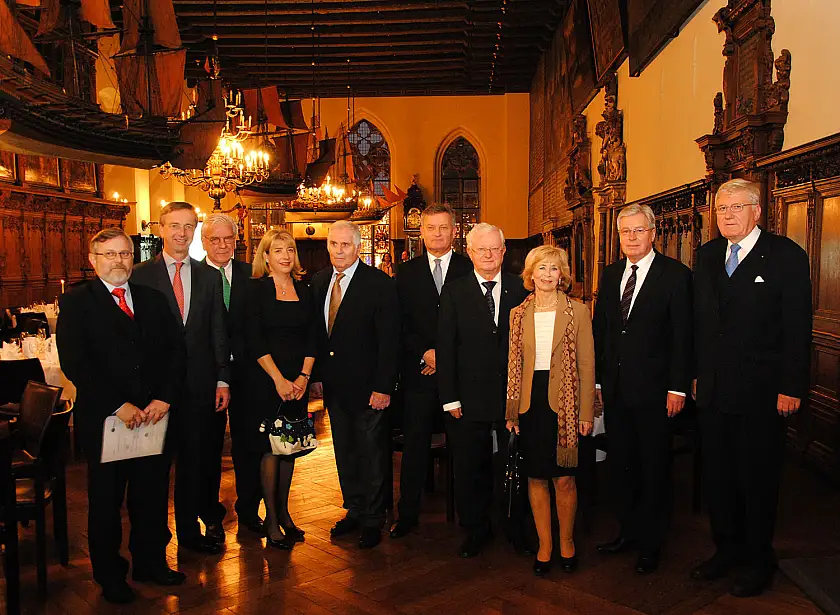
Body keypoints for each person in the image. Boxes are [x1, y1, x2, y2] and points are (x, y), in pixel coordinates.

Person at [692, 179, 812, 597]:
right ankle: (725, 550)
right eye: (720, 208)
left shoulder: (786, 256)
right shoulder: (705, 256)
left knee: (757, 479)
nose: (726, 214)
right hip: (714, 392)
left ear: (757, 211)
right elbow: (701, 326)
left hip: (763, 393)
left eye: (736, 207)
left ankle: (759, 559)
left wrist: (792, 385)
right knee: (719, 478)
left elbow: (798, 328)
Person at [57, 228, 186, 604]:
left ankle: (150, 563)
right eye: (109, 254)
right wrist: (119, 405)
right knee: (106, 501)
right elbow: (76, 363)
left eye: (125, 253)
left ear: (134, 257)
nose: (118, 261)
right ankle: (110, 576)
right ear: (94, 260)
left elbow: (175, 353)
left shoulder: (153, 299)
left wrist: (164, 398)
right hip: (106, 419)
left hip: (154, 416)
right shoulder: (78, 302)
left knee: (151, 494)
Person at [592, 204, 693, 574]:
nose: (631, 237)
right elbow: (603, 331)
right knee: (622, 466)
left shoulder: (676, 276)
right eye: (625, 232)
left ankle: (652, 542)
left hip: (656, 392)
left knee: (653, 468)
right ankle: (628, 532)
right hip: (616, 390)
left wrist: (678, 388)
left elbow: (684, 336)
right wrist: (600, 381)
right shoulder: (611, 273)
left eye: (638, 231)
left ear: (653, 233)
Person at [131, 201, 230, 555]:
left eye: (188, 226)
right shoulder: (140, 275)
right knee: (154, 469)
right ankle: (156, 542)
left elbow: (218, 330)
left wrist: (222, 378)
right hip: (155, 392)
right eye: (174, 225)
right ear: (161, 229)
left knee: (194, 464)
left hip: (200, 387)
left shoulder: (208, 276)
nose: (181, 233)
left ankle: (190, 533)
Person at [437, 222, 528, 558]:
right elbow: (446, 347)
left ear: (505, 252)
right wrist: (449, 397)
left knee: (514, 463)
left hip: (513, 398)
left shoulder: (521, 289)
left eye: (495, 249)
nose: (489, 255)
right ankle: (475, 528)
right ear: (470, 252)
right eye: (481, 249)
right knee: (469, 466)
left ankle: (515, 527)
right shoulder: (455, 291)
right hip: (467, 397)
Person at [505, 246, 595, 576]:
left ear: (562, 275)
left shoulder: (578, 311)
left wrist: (586, 411)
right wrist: (512, 412)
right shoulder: (518, 314)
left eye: (553, 269)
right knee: (536, 476)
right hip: (530, 403)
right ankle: (544, 545)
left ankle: (567, 542)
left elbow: (587, 363)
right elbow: (514, 365)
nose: (547, 275)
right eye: (541, 268)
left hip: (565, 403)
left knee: (565, 478)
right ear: (530, 275)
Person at [311, 221, 400, 549]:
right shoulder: (319, 282)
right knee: (345, 451)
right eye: (333, 244)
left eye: (345, 245)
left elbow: (389, 341)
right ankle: (355, 509)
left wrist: (383, 387)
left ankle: (375, 518)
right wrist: (317, 377)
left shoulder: (378, 284)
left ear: (358, 247)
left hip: (370, 388)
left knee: (372, 454)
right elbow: (320, 337)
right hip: (335, 388)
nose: (338, 250)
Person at [390, 204, 473, 538]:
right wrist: (425, 353)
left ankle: (470, 520)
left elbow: (475, 325)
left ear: (455, 231)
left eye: (444, 228)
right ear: (420, 231)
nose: (437, 234)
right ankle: (407, 514)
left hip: (461, 378)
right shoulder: (405, 273)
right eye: (431, 228)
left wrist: (445, 357)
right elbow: (400, 324)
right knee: (414, 447)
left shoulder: (470, 268)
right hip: (418, 374)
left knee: (465, 449)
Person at [245, 229, 316, 550]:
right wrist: (278, 380)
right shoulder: (256, 290)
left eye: (290, 249)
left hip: (298, 383)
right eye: (278, 250)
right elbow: (254, 339)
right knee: (271, 451)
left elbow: (315, 337)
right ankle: (271, 519)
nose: (285, 255)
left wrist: (303, 377)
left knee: (290, 448)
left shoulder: (306, 289)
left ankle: (286, 513)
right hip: (266, 381)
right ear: (266, 257)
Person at [201, 214, 264, 535]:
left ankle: (249, 510)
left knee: (249, 445)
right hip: (207, 377)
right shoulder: (195, 276)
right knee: (208, 448)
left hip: (249, 374)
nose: (223, 245)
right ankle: (210, 515)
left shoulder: (251, 274)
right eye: (215, 240)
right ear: (204, 242)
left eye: (228, 239)